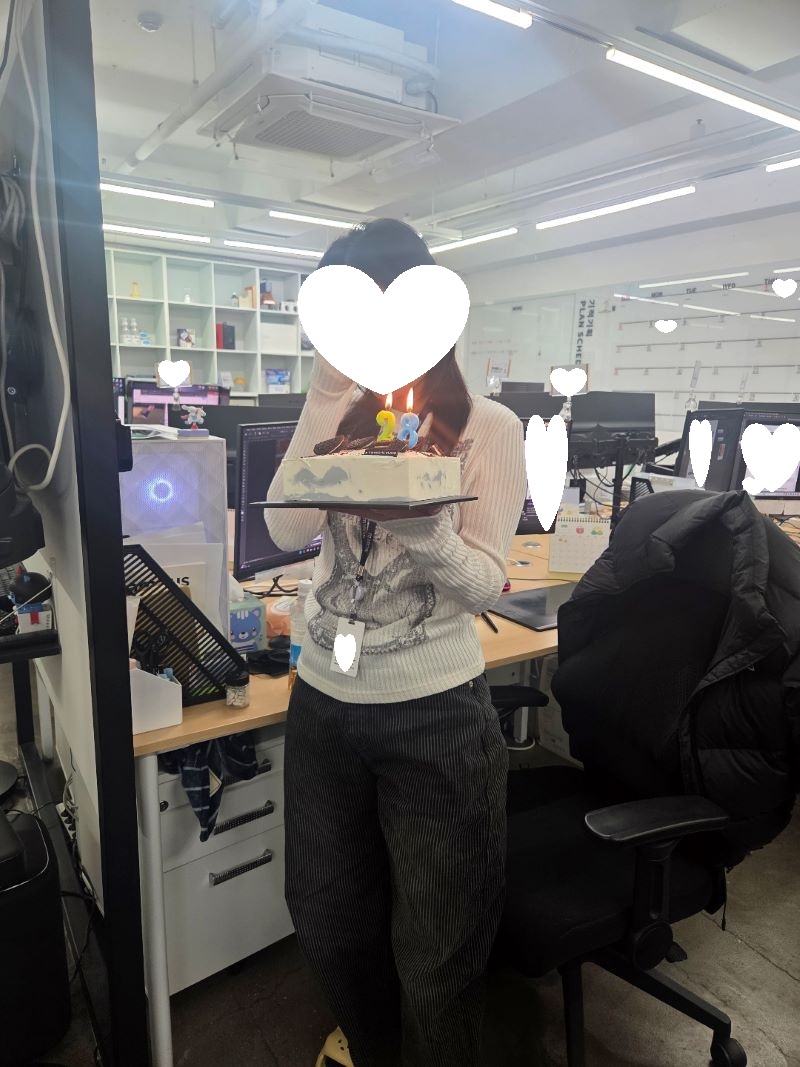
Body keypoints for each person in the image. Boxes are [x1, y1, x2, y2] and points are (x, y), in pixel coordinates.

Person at [265, 219, 527, 1067]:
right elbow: (284, 527)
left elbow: (486, 584)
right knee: (328, 919)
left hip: (434, 710)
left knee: (439, 953)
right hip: (323, 699)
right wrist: (324, 391)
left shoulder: (488, 426)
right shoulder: (339, 412)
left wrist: (424, 529)